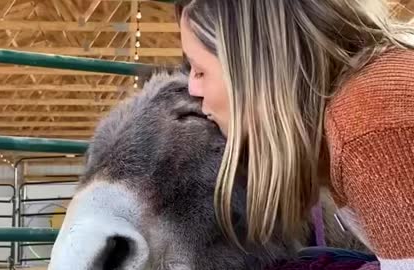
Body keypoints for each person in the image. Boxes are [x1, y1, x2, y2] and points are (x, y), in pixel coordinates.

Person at [174, 0, 414, 269]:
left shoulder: (369, 124)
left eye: (199, 70)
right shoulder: (351, 115)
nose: (192, 88)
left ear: (255, 67)